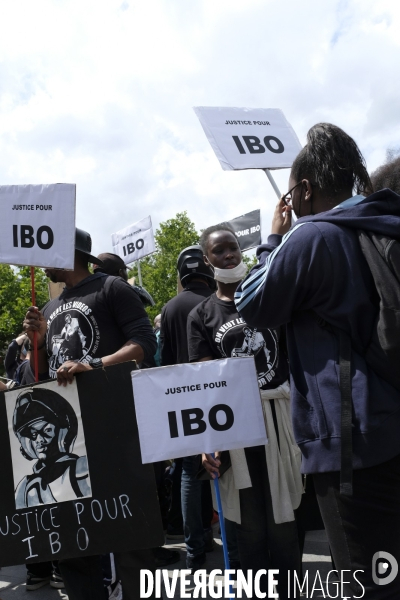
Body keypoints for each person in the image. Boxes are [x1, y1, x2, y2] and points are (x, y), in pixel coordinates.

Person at [234, 122, 400, 599]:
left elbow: (252, 303)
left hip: (350, 442)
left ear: (304, 189)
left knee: (364, 578)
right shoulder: (381, 221)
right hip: (389, 420)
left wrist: (273, 239)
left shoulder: (312, 239)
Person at [24, 227, 158, 600]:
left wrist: (94, 363)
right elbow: (44, 371)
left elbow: (143, 344)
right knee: (73, 546)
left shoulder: (112, 289)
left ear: (68, 254)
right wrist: (36, 343)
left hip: (115, 430)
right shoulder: (50, 309)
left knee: (129, 537)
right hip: (69, 441)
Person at [187, 226, 302, 599]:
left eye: (233, 248)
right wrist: (209, 442)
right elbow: (205, 384)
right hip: (235, 430)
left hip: (279, 422)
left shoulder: (265, 296)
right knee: (248, 531)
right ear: (207, 260)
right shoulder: (201, 315)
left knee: (286, 524)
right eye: (219, 251)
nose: (229, 256)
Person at [160, 245, 216, 570]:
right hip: (219, 398)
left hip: (183, 401)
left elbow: (164, 361)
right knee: (220, 469)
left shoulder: (169, 308)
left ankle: (195, 550)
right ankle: (224, 542)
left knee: (188, 473)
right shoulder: (216, 301)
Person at [13, 387, 91, 508]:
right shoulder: (25, 487)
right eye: (32, 435)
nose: (39, 441)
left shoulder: (81, 469)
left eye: (46, 430)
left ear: (64, 431)